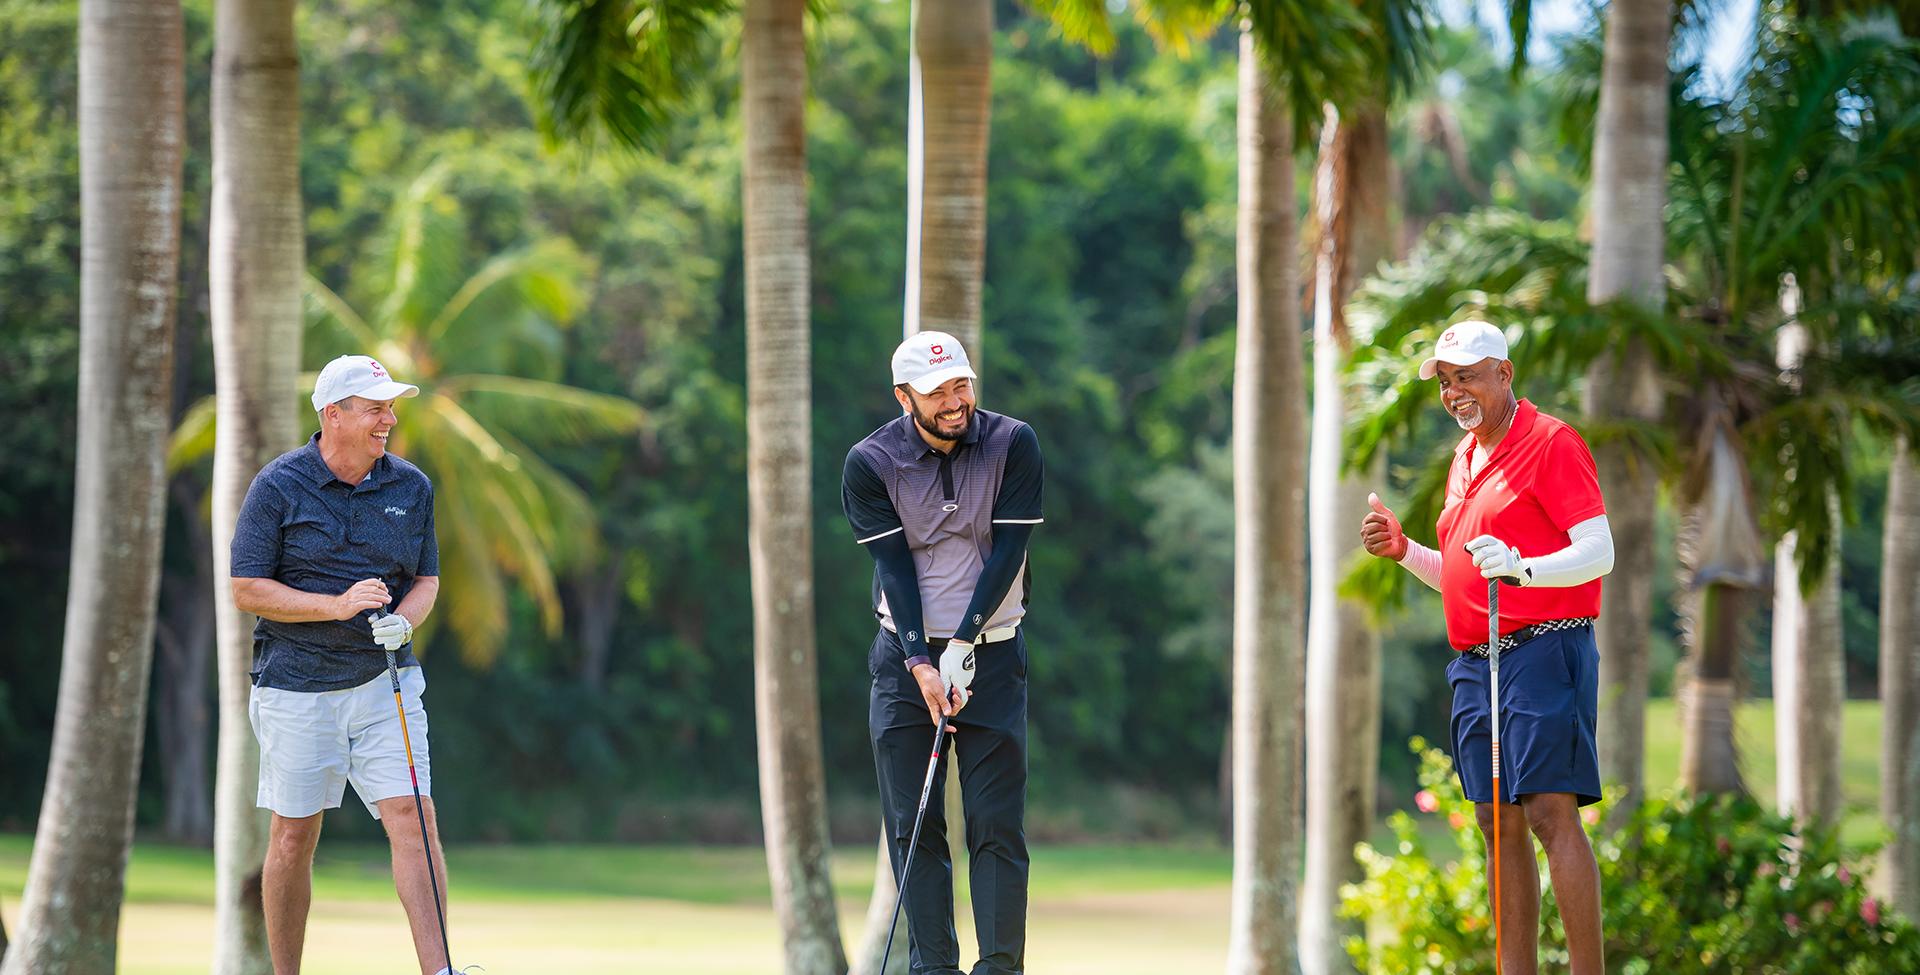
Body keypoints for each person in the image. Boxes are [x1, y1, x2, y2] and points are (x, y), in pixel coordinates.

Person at [1359, 320, 1613, 975]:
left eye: (1466, 375)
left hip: (1544, 650)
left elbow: (1598, 551)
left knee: (1551, 813)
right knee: (1494, 820)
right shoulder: (1464, 458)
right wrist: (1406, 550)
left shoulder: (1551, 441)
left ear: (1504, 372)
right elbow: (1468, 575)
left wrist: (1524, 567)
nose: (1454, 391)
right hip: (1478, 660)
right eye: (1445, 381)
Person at [230, 354, 453, 975]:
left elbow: (427, 579)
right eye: (376, 407)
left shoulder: (411, 486)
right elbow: (247, 588)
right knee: (294, 835)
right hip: (296, 687)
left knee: (413, 814)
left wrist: (405, 618)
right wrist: (335, 605)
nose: (390, 418)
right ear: (334, 414)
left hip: (387, 683)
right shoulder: (277, 485)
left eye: (390, 406)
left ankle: (441, 971)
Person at [842, 331, 1044, 975]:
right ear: (905, 398)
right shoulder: (870, 461)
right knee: (914, 824)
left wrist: (961, 641)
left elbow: (1008, 554)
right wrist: (921, 662)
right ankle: (933, 968)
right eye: (937, 393)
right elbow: (893, 569)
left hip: (993, 653)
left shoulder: (1014, 443)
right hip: (906, 665)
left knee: (996, 825)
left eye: (962, 385)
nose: (955, 402)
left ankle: (1000, 968)